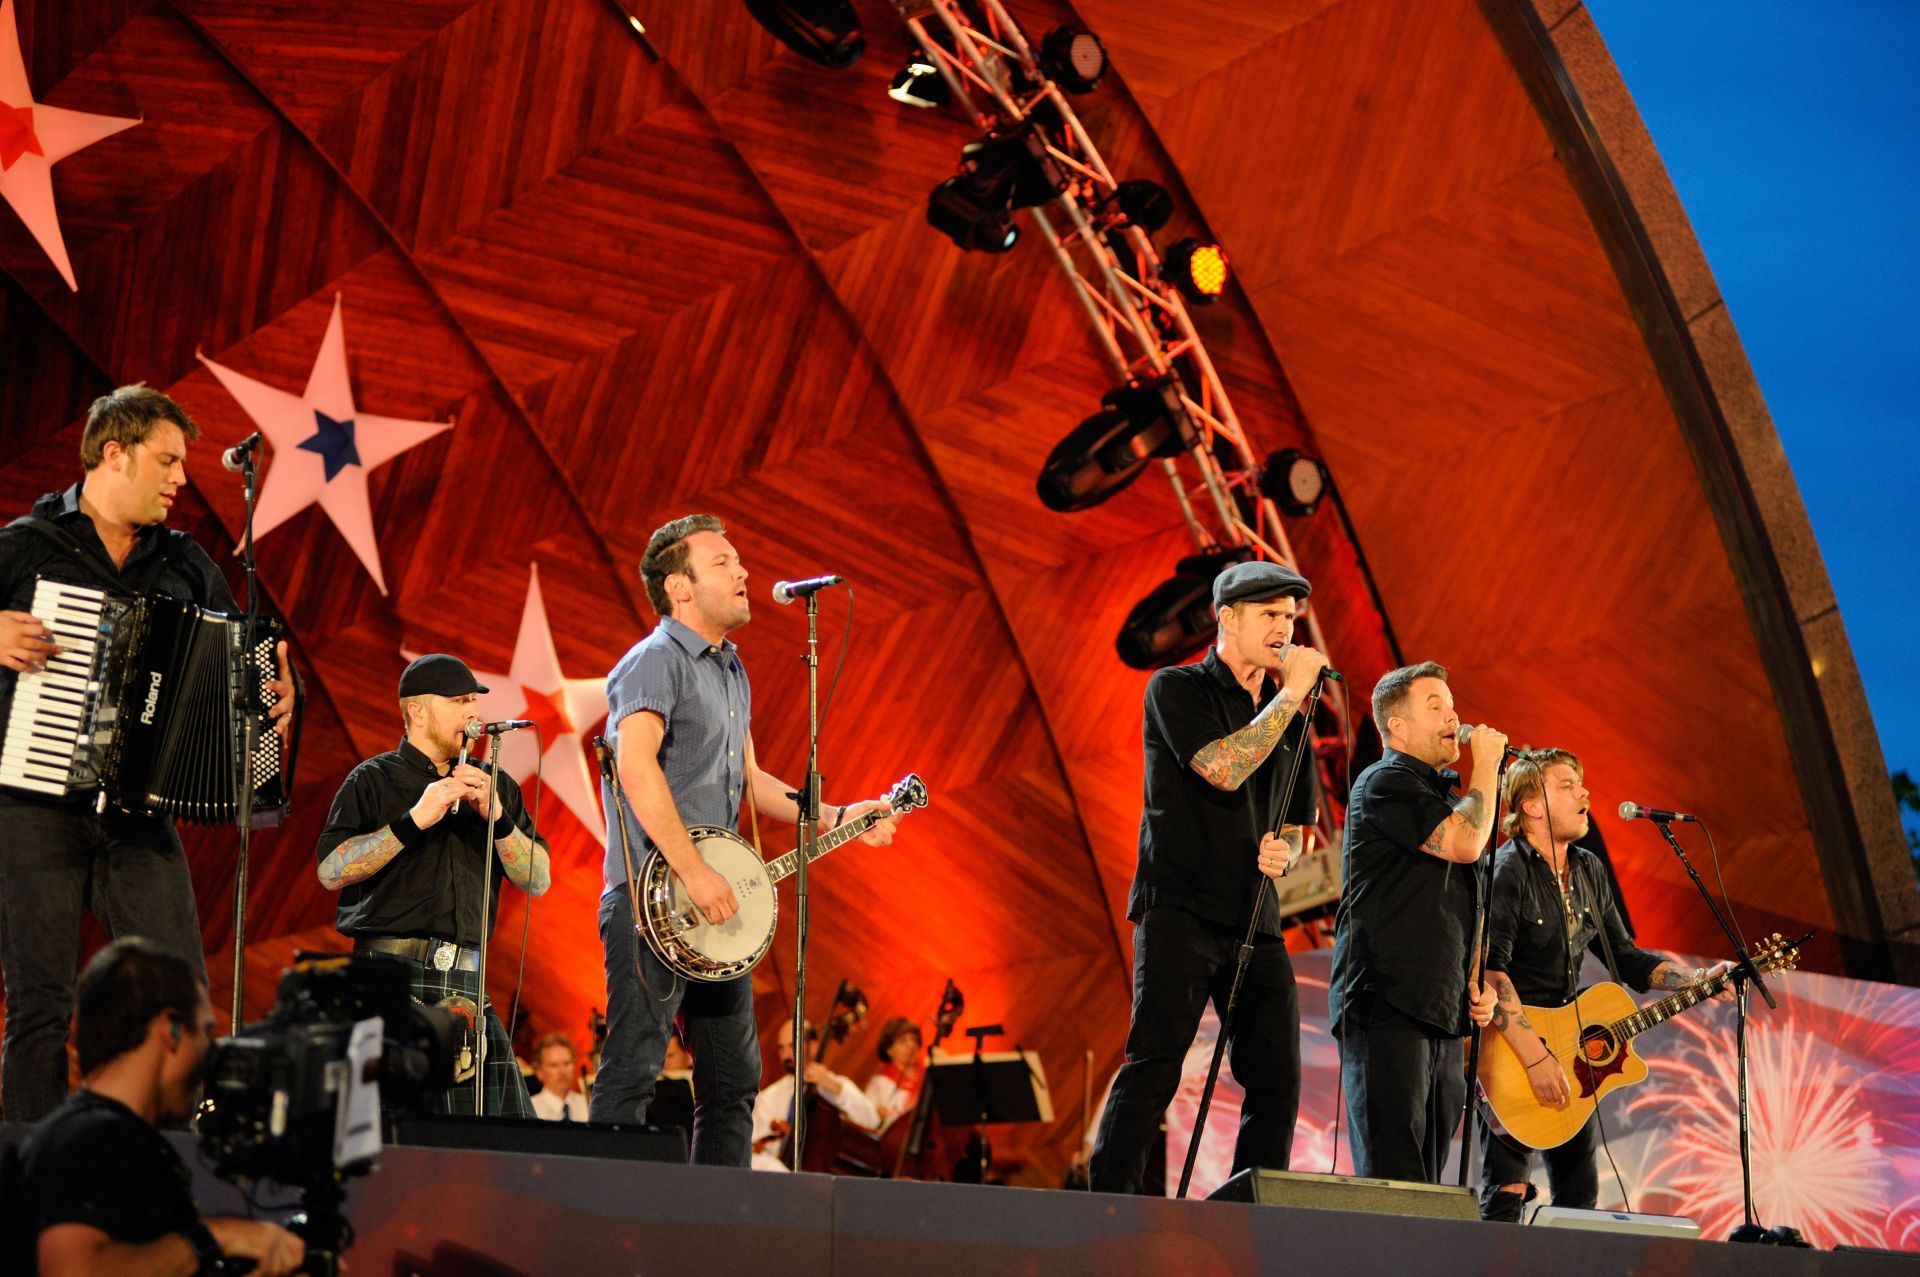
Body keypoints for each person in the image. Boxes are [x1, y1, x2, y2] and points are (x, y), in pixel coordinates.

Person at [0, 384, 293, 1122]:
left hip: (137, 814)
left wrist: (280, 694)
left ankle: (171, 1163)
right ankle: (31, 1180)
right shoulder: (27, 545)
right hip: (34, 804)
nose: (179, 479)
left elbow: (246, 655)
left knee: (179, 992)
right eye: (166, 461)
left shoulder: (185, 562)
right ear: (113, 452)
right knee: (41, 1001)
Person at [589, 514, 900, 1165]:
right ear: (680, 587)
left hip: (715, 910)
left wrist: (846, 815)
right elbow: (636, 767)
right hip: (653, 902)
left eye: (739, 560)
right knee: (633, 1072)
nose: (744, 571)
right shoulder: (652, 661)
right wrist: (694, 871)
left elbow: (750, 781)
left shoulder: (732, 671)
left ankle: (715, 1234)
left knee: (732, 1085)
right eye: (724, 561)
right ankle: (600, 1232)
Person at [1089, 561, 1328, 1194]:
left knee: (1277, 1077)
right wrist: (1289, 698)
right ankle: (1106, 1211)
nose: (1284, 628)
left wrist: (1289, 851)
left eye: (1290, 617)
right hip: (1181, 909)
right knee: (1157, 1063)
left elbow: (1300, 826)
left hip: (1255, 917)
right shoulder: (1178, 688)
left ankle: (1249, 1219)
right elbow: (1223, 768)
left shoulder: (1293, 722)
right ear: (1227, 618)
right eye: (1270, 615)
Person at [1478, 749, 1732, 1222]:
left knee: (1580, 1200)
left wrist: (1693, 982)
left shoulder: (1590, 869)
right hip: (1515, 1047)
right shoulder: (1507, 869)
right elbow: (1493, 973)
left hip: (1571, 1048)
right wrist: (1535, 1058)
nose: (1584, 792)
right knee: (1507, 1194)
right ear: (1532, 806)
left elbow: (1628, 959)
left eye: (1582, 782)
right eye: (1567, 784)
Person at [314, 653, 551, 1118]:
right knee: (390, 1130)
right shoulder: (373, 779)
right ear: (417, 711)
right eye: (460, 700)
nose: (474, 713)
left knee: (493, 1142)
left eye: (474, 702)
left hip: (466, 984)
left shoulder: (495, 785)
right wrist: (413, 821)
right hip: (389, 977)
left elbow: (538, 878)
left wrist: (498, 818)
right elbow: (330, 871)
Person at [15, 937, 305, 1276]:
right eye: (205, 1032)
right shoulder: (99, 1138)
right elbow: (71, 1271)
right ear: (172, 1028)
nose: (206, 1054)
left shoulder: (85, 1133)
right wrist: (217, 1236)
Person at [1327, 662, 1503, 1184]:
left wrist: (1478, 984)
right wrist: (1487, 768)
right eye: (1436, 706)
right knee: (1394, 1179)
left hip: (1441, 1013)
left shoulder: (1444, 799)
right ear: (1397, 726)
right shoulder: (1384, 781)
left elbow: (1462, 905)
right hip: (1386, 1004)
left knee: (1426, 1182)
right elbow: (1467, 843)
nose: (1453, 716)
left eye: (1452, 705)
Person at [749, 1018, 880, 1172]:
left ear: (813, 1046)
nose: (786, 1055)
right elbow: (754, 1151)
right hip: (778, 1183)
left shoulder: (837, 1086)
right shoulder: (768, 1097)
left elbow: (872, 1120)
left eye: (792, 1046)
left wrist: (835, 1088)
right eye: (781, 1048)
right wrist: (787, 1177)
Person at [864, 1016, 924, 1133]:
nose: (911, 1045)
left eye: (914, 1040)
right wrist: (878, 1114)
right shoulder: (879, 1083)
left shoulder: (930, 1078)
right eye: (903, 1041)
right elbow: (867, 1121)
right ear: (889, 1050)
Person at [530, 1032, 589, 1122]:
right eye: (553, 1065)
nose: (562, 1071)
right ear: (539, 1072)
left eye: (566, 1063)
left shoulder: (588, 1105)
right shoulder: (530, 1110)